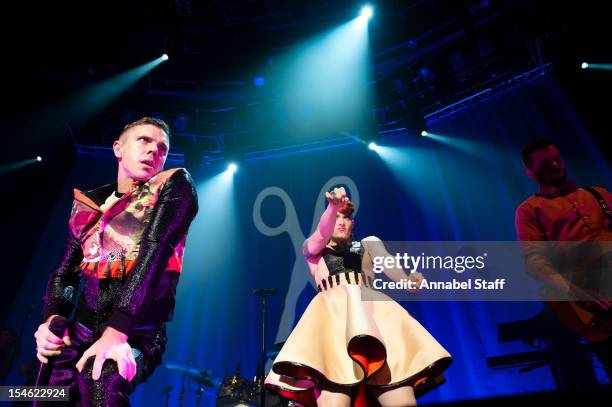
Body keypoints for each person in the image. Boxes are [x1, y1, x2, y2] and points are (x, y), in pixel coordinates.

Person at [33, 117, 198, 405]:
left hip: (137, 334)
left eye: (162, 148)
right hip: (80, 331)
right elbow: (67, 273)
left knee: (101, 381)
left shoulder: (175, 186)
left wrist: (117, 332)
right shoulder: (90, 206)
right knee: (41, 395)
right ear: (118, 149)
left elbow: (154, 255)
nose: (154, 151)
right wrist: (51, 319)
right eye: (144, 141)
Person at [266, 187, 451, 407]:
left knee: (401, 399)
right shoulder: (313, 250)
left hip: (376, 321)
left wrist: (408, 282)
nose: (342, 221)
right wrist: (333, 207)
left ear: (353, 224)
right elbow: (320, 236)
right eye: (336, 217)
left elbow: (388, 262)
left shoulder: (367, 244)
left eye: (347, 217)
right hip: (333, 326)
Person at [515, 138, 612, 388]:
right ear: (530, 172)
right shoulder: (530, 210)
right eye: (546, 163)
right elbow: (535, 262)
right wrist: (577, 292)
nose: (556, 165)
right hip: (592, 300)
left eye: (557, 159)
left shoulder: (598, 194)